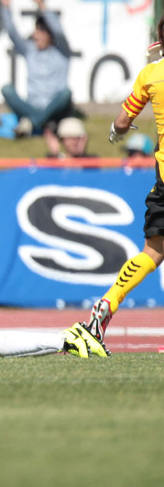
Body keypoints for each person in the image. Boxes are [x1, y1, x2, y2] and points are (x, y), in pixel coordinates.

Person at [82, 22, 164, 343]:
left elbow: (122, 120)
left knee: (152, 252)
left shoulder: (150, 76)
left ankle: (109, 301)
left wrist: (117, 132)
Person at [0, 0, 72, 137]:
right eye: (35, 30)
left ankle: (31, 123)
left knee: (66, 94)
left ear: (49, 34)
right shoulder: (30, 50)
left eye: (40, 31)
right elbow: (12, 32)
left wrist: (40, 4)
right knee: (7, 90)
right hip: (31, 105)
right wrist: (5, 8)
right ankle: (42, 122)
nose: (35, 35)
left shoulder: (62, 51)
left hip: (55, 107)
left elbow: (58, 29)